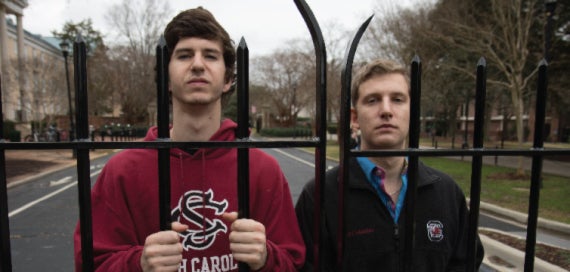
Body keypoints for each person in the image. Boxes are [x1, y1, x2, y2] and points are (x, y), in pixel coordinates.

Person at [74, 7, 305, 271]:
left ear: (228, 78)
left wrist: (266, 257)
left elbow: (294, 262)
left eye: (210, 55)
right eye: (184, 55)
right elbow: (90, 263)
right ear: (167, 79)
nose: (197, 64)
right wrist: (138, 263)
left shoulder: (262, 169)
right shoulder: (123, 171)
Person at [295, 59, 484, 271]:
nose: (386, 110)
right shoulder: (320, 195)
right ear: (354, 118)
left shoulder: (447, 193)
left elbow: (466, 262)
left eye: (397, 99)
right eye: (373, 100)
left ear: (412, 112)